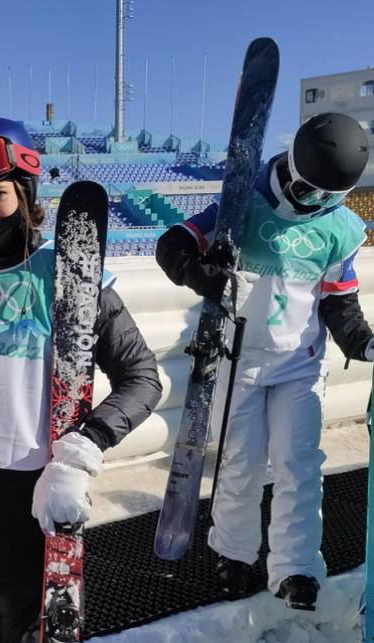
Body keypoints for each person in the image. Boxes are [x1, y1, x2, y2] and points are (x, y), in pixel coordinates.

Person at [0, 117, 162, 642]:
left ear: (26, 195)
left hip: (36, 484)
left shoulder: (68, 274)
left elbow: (142, 377)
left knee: (27, 625)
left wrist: (84, 449)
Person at [155, 112, 373, 610]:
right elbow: (172, 245)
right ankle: (233, 554)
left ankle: (296, 568)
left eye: (328, 197)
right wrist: (201, 274)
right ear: (292, 168)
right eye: (310, 191)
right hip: (240, 358)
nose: (315, 204)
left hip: (301, 363)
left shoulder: (338, 228)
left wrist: (363, 342)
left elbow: (340, 301)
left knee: (300, 466)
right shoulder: (244, 200)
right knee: (240, 463)